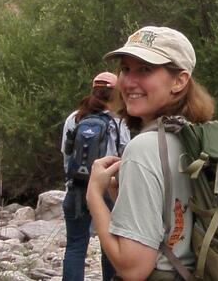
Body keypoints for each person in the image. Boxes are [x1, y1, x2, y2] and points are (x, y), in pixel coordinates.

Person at [86, 26, 214, 279]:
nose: (129, 81)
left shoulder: (143, 149)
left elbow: (133, 268)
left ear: (179, 81)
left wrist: (94, 196)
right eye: (125, 69)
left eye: (145, 69)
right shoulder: (200, 135)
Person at [60, 71, 130, 281]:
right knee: (110, 246)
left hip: (77, 189)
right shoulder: (118, 121)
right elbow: (124, 157)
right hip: (107, 190)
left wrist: (70, 184)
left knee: (75, 246)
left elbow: (66, 155)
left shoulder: (74, 118)